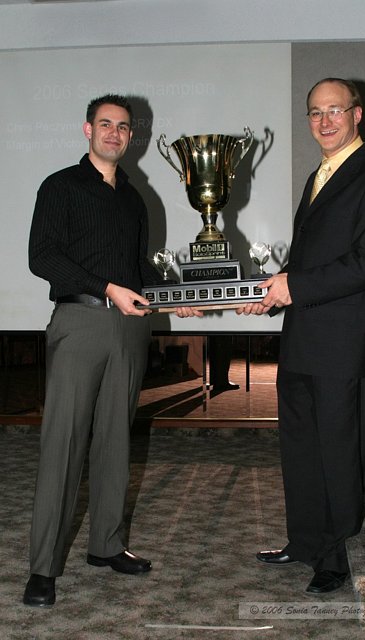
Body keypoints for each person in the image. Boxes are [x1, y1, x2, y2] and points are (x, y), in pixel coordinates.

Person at [238, 78, 365, 594]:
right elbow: (312, 261)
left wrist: (294, 286)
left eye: (334, 110)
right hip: (303, 337)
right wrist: (272, 291)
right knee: (301, 449)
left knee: (336, 452)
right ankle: (305, 541)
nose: (324, 121)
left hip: (341, 345)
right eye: (315, 112)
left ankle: (334, 555)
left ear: (357, 114)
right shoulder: (319, 176)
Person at [24, 94, 165, 607]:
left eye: (123, 126)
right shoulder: (60, 186)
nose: (114, 133)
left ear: (131, 135)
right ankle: (43, 568)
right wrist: (106, 288)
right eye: (105, 124)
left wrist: (175, 298)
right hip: (80, 322)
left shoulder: (134, 198)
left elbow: (139, 267)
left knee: (115, 440)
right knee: (63, 443)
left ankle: (106, 544)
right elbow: (42, 257)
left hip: (130, 329)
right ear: (88, 130)